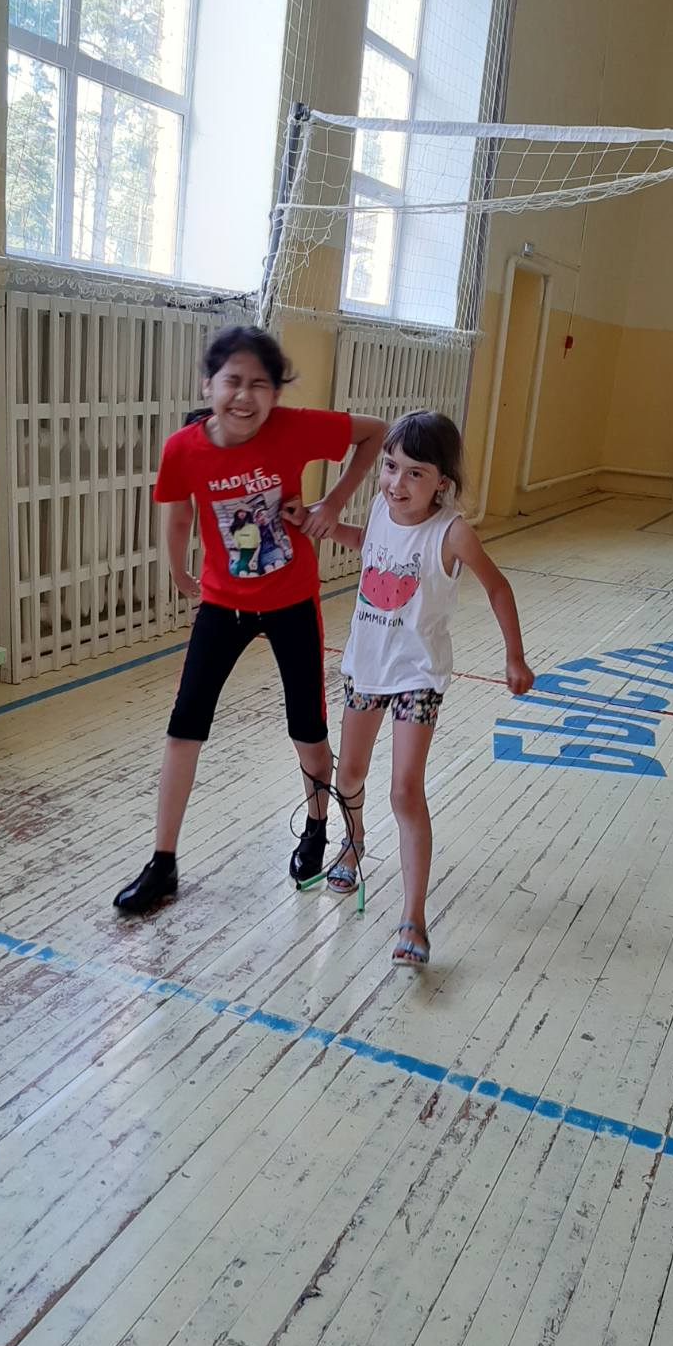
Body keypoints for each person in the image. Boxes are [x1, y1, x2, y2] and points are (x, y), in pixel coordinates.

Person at [114, 325, 386, 914]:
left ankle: (317, 825)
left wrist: (333, 503)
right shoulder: (183, 448)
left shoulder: (294, 428)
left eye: (259, 384)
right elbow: (178, 515)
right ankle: (163, 861)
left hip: (291, 600)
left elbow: (376, 433)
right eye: (232, 381)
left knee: (307, 726)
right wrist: (179, 573)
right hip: (223, 605)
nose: (244, 396)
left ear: (276, 394)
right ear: (208, 385)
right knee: (184, 725)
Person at [293, 410, 534, 966]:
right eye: (389, 466)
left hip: (418, 676)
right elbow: (373, 546)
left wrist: (514, 656)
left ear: (442, 482)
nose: (396, 483)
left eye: (415, 473)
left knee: (404, 790)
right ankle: (353, 843)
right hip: (366, 666)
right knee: (349, 775)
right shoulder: (382, 507)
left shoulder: (452, 533)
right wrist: (321, 525)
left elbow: (498, 588)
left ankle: (413, 918)